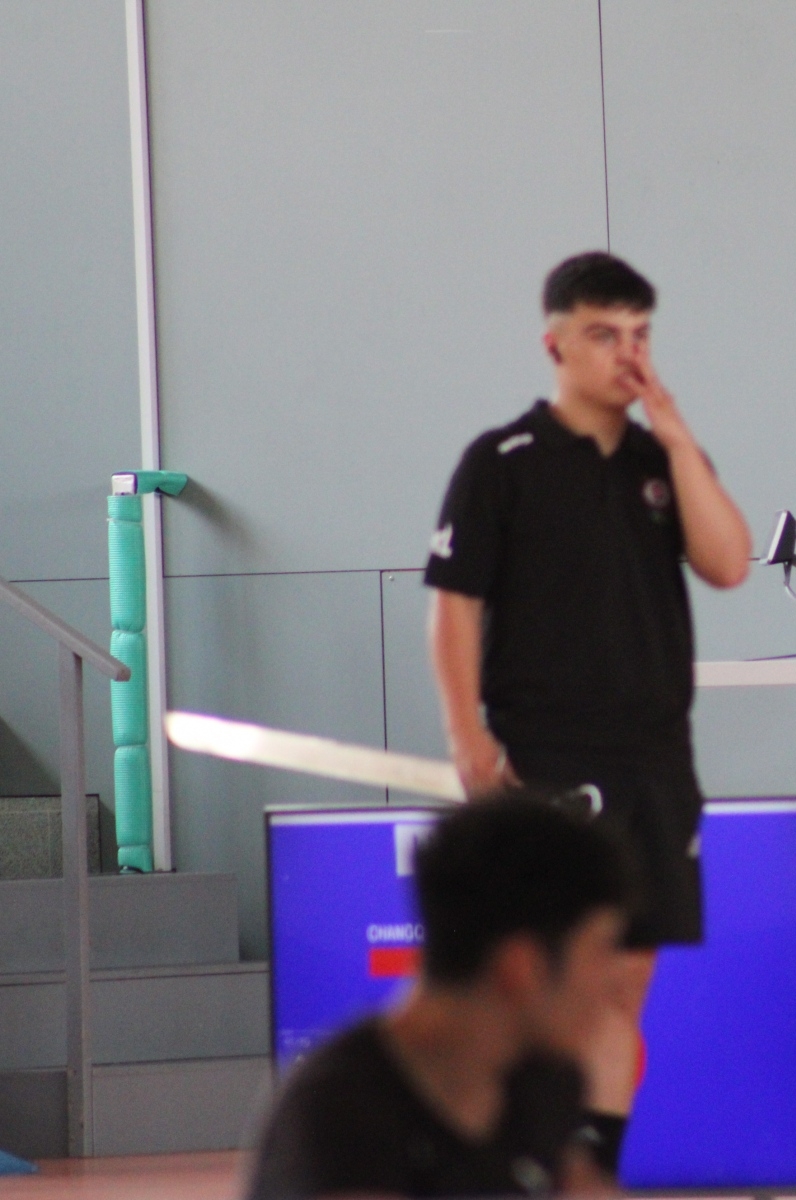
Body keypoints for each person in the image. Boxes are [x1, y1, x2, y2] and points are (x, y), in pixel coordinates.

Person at [423, 251, 753, 1174]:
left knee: (622, 989)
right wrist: (468, 737)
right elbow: (453, 606)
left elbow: (729, 564)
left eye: (640, 336)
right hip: (549, 757)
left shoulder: (660, 462)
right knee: (547, 987)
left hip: (657, 759)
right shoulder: (502, 463)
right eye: (605, 335)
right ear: (556, 345)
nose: (626, 355)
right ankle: (511, 1163)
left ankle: (587, 1173)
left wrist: (678, 437)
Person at [247, 796, 634, 1198]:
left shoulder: (545, 1081)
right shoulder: (339, 1113)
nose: (615, 983)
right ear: (521, 968)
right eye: (600, 951)